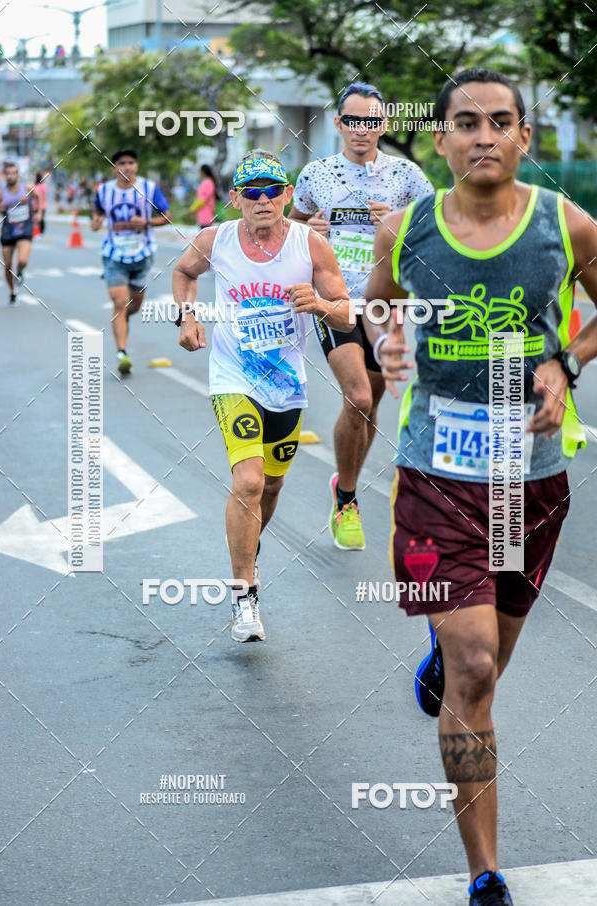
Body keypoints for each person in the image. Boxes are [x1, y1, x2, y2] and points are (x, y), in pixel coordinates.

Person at [363, 68, 596, 906]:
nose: (485, 136)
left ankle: (446, 655)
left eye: (502, 122)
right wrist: (388, 340)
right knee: (473, 671)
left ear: (525, 137)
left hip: (528, 488)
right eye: (467, 123)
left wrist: (566, 362)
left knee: (487, 668)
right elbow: (378, 305)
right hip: (434, 477)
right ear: (442, 139)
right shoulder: (406, 229)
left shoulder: (564, 227)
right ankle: (485, 873)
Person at [173, 149, 351, 643]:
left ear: (288, 195)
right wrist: (186, 317)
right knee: (248, 482)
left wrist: (317, 303)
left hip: (286, 385)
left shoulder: (311, 247)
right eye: (251, 192)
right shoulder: (216, 239)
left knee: (270, 488)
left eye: (273, 190)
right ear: (235, 199)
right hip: (233, 377)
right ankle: (244, 594)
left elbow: (346, 312)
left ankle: (247, 552)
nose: (263, 200)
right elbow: (184, 273)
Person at [290, 82, 433, 550]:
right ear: (338, 124)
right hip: (334, 299)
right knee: (360, 398)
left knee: (370, 403)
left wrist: (397, 220)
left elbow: (436, 230)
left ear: (383, 126)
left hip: (385, 302)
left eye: (371, 121)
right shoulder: (316, 174)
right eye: (352, 120)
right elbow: (292, 226)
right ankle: (347, 501)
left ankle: (342, 482)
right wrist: (307, 228)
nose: (361, 129)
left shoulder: (407, 177)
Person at [91, 149, 170, 375]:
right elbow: (97, 212)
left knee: (134, 305)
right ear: (114, 168)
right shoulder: (104, 190)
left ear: (136, 166)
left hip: (142, 255)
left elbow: (167, 217)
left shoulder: (149, 188)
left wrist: (146, 222)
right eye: (122, 163)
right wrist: (96, 221)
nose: (127, 167)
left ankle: (122, 321)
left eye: (131, 163)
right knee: (118, 302)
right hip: (114, 255)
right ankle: (122, 353)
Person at [0, 161, 42, 304]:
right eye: (8, 174)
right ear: (5, 176)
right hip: (8, 231)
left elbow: (38, 196)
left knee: (22, 260)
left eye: (13, 173)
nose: (10, 176)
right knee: (7, 265)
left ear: (17, 175)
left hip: (25, 229)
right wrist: (0, 206)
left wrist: (39, 212)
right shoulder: (0, 193)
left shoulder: (26, 188)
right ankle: (12, 290)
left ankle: (20, 271)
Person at [192, 164, 218, 228]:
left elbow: (202, 200)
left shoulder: (207, 183)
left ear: (202, 172)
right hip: (204, 218)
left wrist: (192, 209)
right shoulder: (208, 182)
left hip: (206, 218)